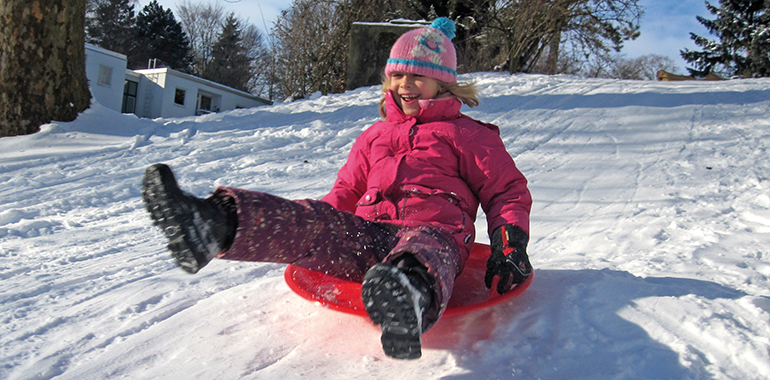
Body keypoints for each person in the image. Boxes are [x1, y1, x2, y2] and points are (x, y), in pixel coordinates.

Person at [141, 17, 532, 360]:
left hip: (436, 233)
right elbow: (345, 191)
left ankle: (407, 295)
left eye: (417, 76)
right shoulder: (374, 136)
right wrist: (315, 223)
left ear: (443, 83)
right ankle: (212, 225)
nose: (404, 85)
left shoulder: (467, 135)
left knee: (427, 249)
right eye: (397, 75)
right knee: (317, 221)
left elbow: (506, 191)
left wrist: (509, 241)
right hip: (370, 235)